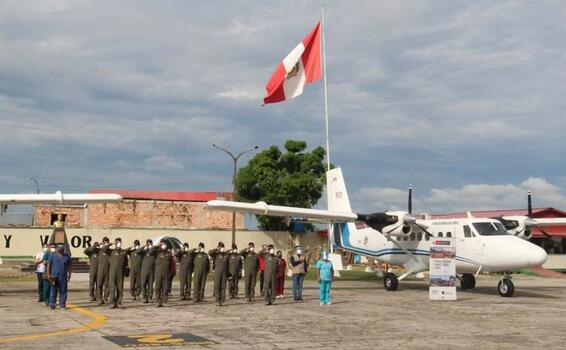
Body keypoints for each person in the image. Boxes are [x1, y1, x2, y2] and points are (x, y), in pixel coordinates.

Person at [47, 244, 72, 309]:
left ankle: (62, 304)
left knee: (63, 291)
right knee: (53, 290)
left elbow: (69, 266)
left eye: (62, 250)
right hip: (54, 276)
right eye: (60, 249)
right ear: (57, 249)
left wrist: (69, 274)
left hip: (63, 277)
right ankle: (52, 304)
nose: (61, 251)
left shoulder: (67, 257)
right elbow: (49, 265)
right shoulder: (52, 256)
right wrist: (48, 274)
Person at [108, 238, 129, 309]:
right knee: (112, 287)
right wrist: (112, 243)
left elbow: (126, 262)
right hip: (113, 272)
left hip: (120, 272)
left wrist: (126, 270)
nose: (119, 243)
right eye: (118, 242)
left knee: (120, 288)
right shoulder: (111, 251)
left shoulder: (123, 252)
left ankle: (119, 302)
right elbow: (104, 249)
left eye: (120, 242)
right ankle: (112, 302)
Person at [209, 241, 230, 306]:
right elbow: (210, 252)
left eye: (223, 247)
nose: (222, 248)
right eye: (221, 247)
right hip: (217, 272)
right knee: (217, 286)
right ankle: (217, 300)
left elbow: (228, 265)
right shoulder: (216, 254)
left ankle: (222, 300)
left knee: (223, 286)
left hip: (224, 272)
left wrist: (229, 274)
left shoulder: (226, 255)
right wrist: (216, 249)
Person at [154, 241, 173, 307]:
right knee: (157, 287)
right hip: (158, 273)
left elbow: (171, 264)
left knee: (165, 288)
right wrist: (157, 245)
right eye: (163, 245)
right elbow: (151, 251)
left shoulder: (169, 254)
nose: (164, 246)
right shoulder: (157, 252)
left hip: (166, 273)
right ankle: (158, 302)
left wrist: (170, 272)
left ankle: (165, 301)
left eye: (165, 245)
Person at [139, 239, 157, 303]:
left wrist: (153, 247)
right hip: (144, 271)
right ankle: (144, 297)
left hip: (152, 271)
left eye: (150, 244)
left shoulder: (154, 252)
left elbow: (156, 249)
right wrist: (145, 246)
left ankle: (150, 297)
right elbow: (137, 251)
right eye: (148, 244)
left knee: (150, 285)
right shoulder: (143, 251)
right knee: (143, 284)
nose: (149, 245)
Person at [96, 237, 111, 304]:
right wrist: (99, 244)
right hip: (100, 270)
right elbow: (88, 250)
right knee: (99, 285)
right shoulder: (99, 250)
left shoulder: (110, 251)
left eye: (106, 242)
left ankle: (105, 298)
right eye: (104, 242)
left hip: (108, 270)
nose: (105, 244)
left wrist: (108, 244)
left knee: (107, 285)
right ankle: (99, 299)